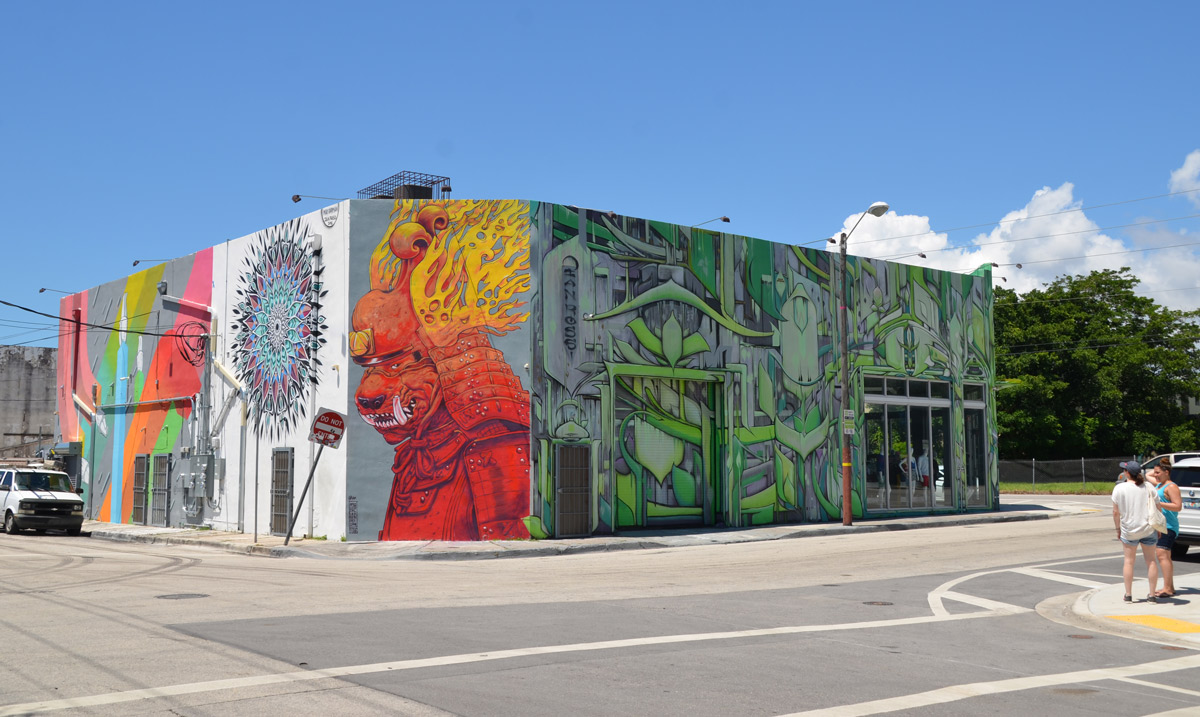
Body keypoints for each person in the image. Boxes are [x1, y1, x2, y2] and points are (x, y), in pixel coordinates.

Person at [1111, 460, 1159, 603]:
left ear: (1127, 473)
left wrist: (1118, 529)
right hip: (1148, 528)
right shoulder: (1149, 486)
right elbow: (1158, 507)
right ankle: (1152, 595)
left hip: (1129, 529)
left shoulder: (1119, 489)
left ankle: (1128, 594)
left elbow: (1115, 512)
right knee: (1151, 561)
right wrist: (1159, 526)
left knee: (1129, 562)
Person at [1147, 459, 1182, 598]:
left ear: (1166, 473)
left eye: (1158, 473)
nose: (1155, 475)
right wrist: (1161, 463)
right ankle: (1169, 587)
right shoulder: (1160, 484)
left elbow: (1178, 506)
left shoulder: (1171, 487)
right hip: (1161, 525)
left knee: (1162, 555)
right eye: (1155, 472)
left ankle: (1167, 588)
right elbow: (1148, 475)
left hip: (1168, 526)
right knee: (1164, 556)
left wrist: (1159, 503)